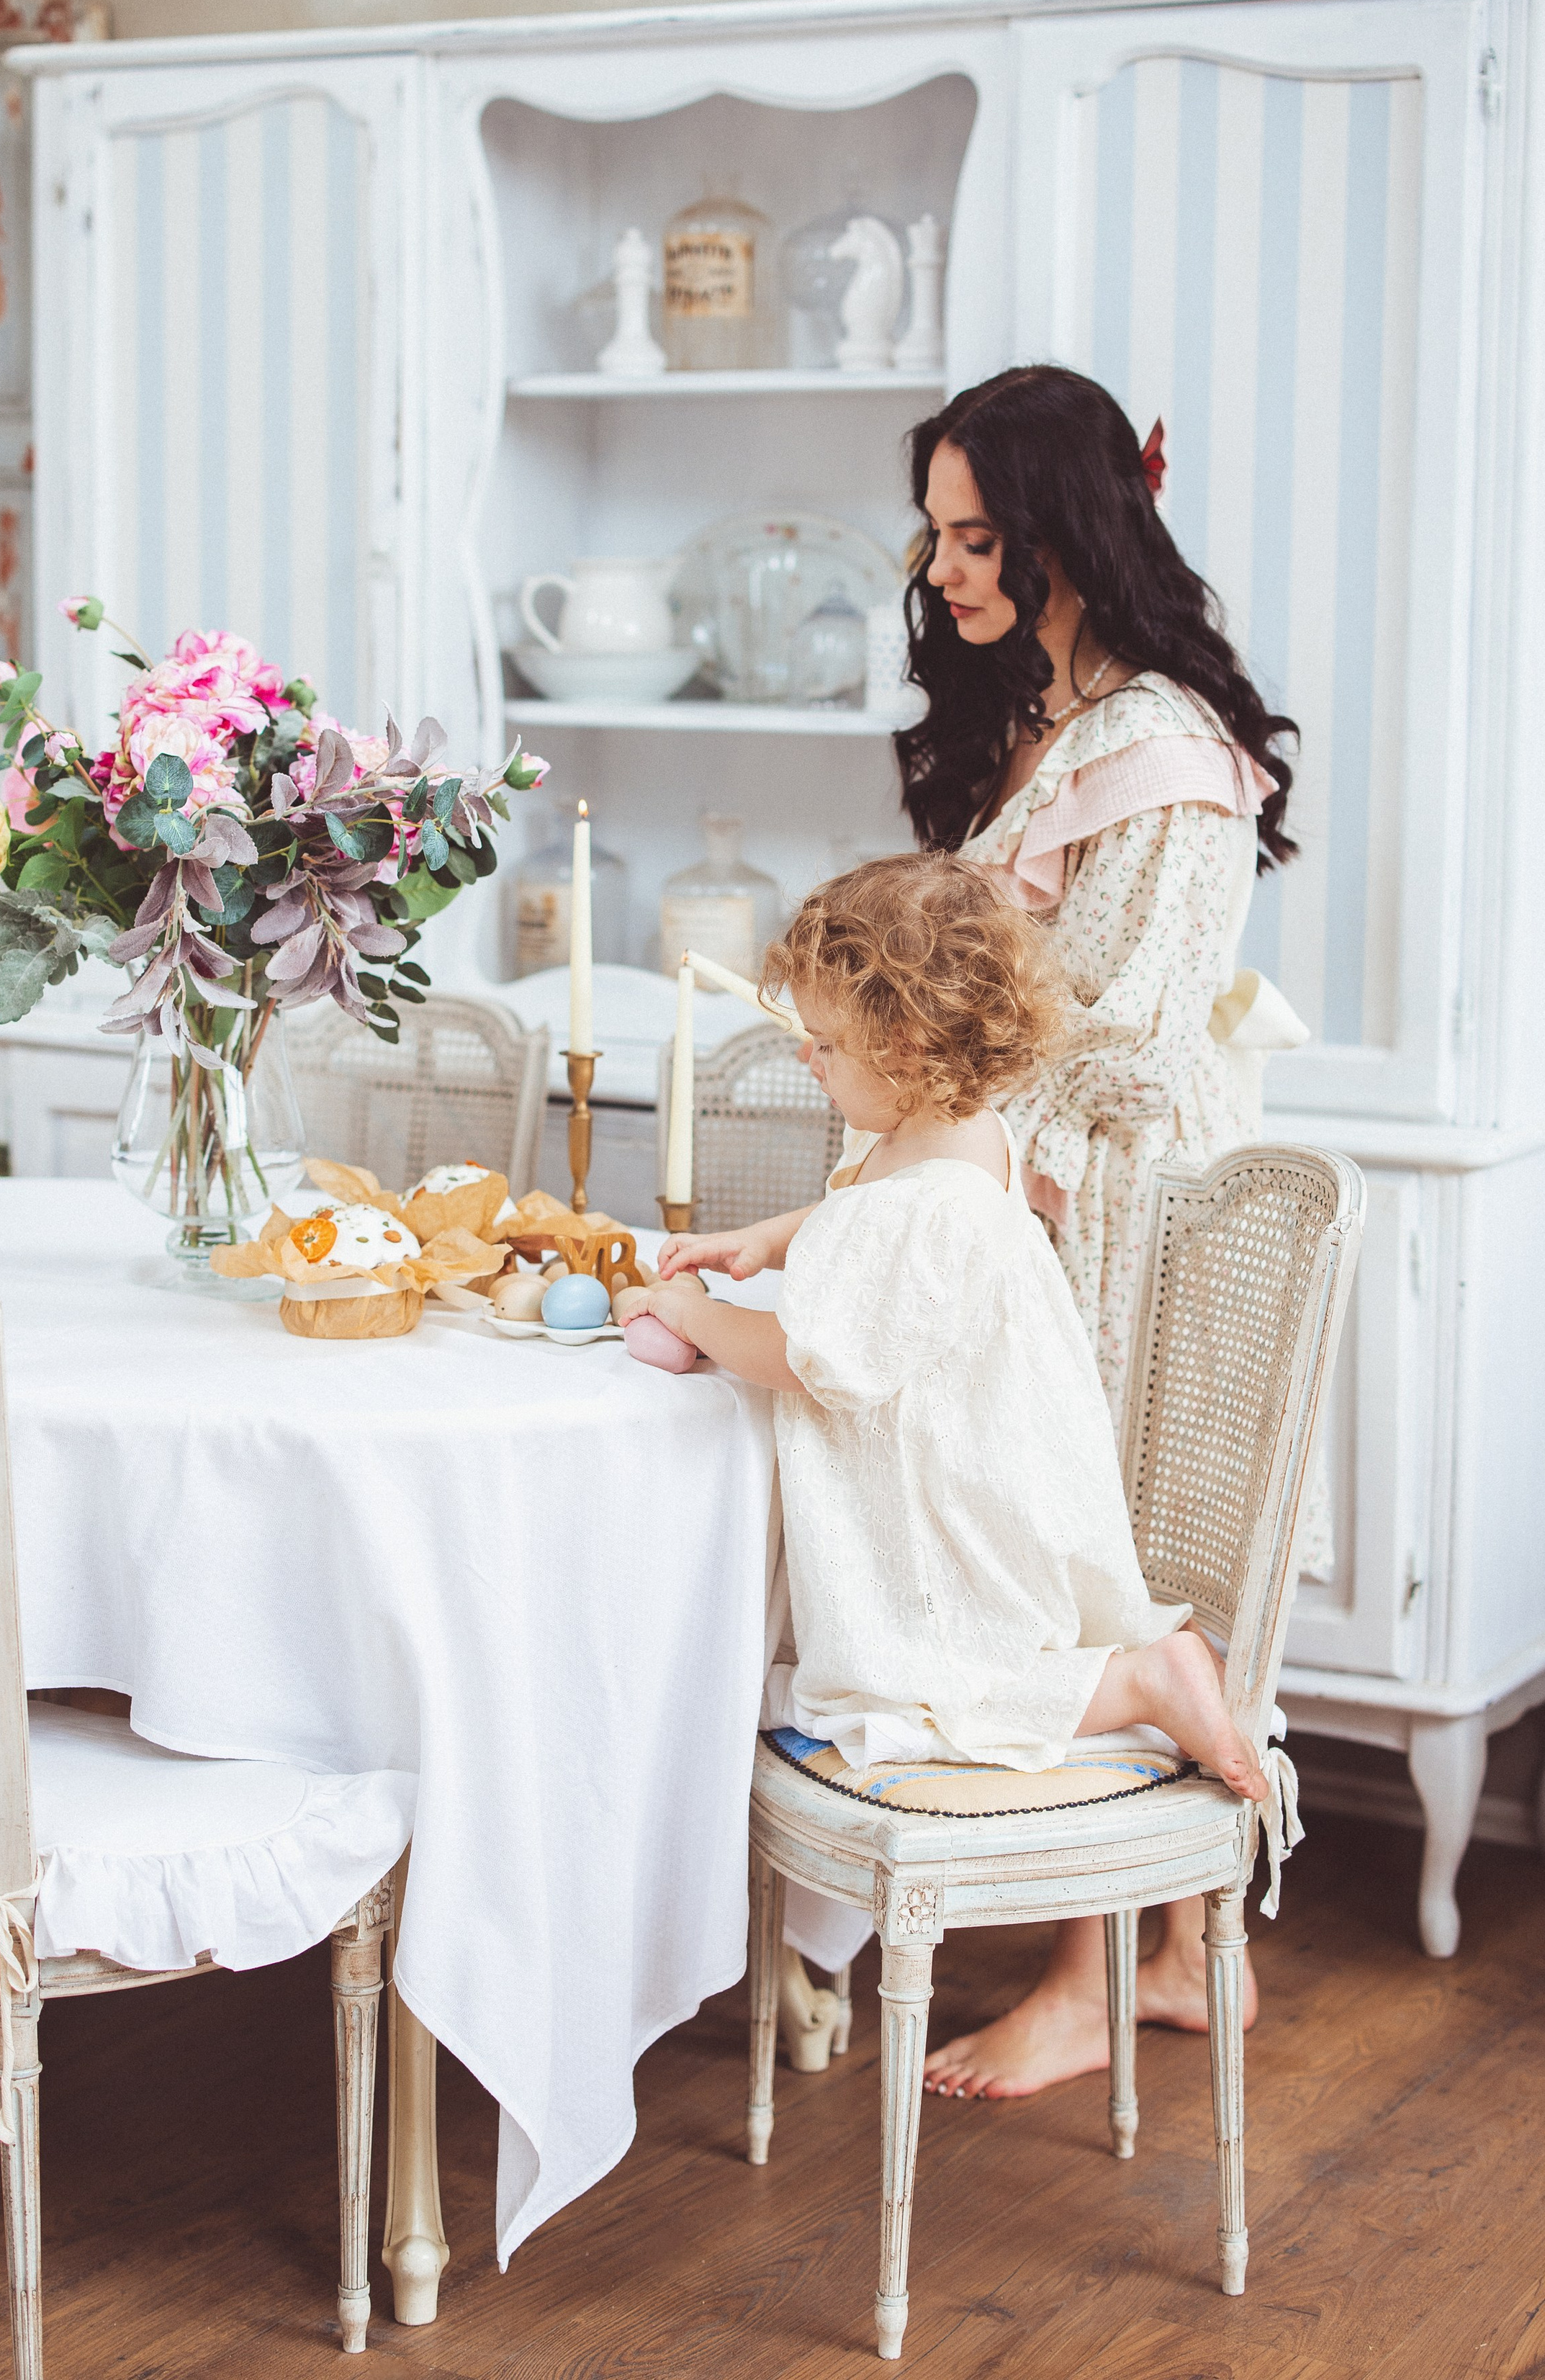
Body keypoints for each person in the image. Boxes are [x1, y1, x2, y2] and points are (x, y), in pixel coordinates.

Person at [891, 362, 1302, 2098]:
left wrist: (973, 1176)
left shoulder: (1166, 749)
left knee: (1103, 1560)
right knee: (1074, 1558)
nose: (946, 574)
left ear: (1068, 530)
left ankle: (1104, 1967)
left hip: (1116, 1197)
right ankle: (1174, 1953)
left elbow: (1123, 1025)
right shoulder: (1044, 730)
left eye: (978, 536)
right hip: (1033, 1176)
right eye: (932, 538)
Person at [620, 856, 1270, 1820]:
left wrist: (695, 1315)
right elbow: (877, 1214)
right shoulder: (968, 1131)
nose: (811, 1060)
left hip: (947, 1505)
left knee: (929, 1681)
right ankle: (1137, 1672)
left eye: (829, 1044)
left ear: (908, 1046)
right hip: (996, 1463)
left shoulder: (922, 1191)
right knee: (968, 1655)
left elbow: (810, 1359)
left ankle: (1144, 1681)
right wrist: (769, 1237)